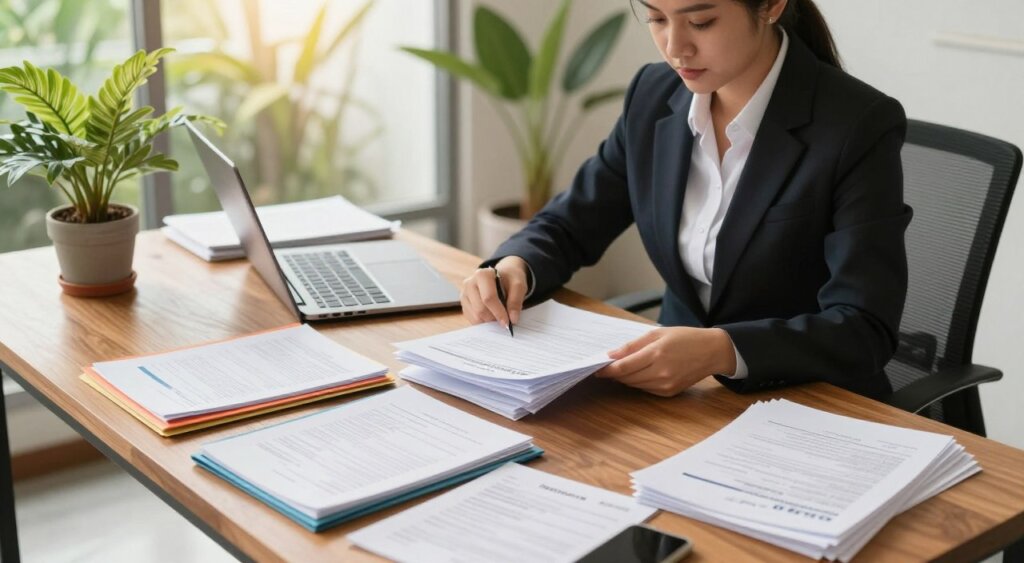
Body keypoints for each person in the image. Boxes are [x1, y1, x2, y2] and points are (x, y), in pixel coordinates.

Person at [460, 0, 912, 400]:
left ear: (772, 5)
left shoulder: (857, 125)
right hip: (681, 398)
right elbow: (571, 222)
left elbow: (863, 327)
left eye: (701, 21)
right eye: (657, 18)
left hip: (810, 404)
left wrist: (722, 349)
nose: (676, 47)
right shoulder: (653, 96)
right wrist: (514, 265)